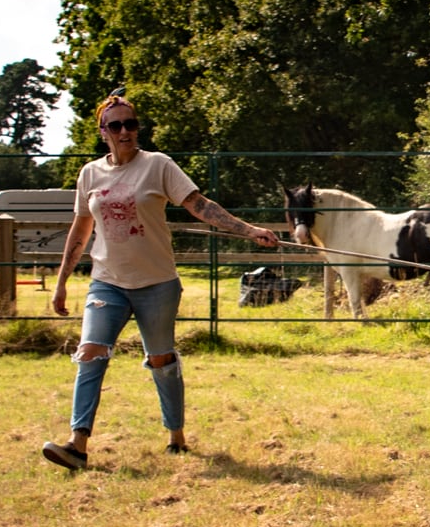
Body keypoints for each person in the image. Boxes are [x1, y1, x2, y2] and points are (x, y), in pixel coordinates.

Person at [44, 92, 280, 471]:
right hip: (107, 282)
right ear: (103, 131)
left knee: (161, 360)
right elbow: (80, 230)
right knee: (91, 352)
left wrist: (250, 231)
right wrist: (61, 282)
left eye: (131, 124)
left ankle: (176, 434)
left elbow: (200, 205)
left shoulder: (158, 166)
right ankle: (77, 443)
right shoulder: (90, 173)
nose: (126, 131)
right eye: (117, 125)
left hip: (157, 283)